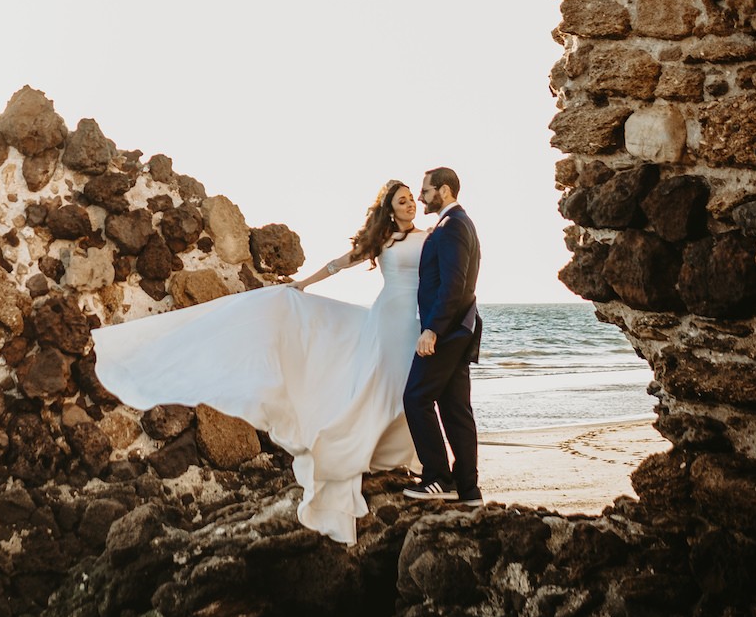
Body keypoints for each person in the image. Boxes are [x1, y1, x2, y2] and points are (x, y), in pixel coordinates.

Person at [90, 179, 427, 545]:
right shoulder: (383, 240)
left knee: (406, 386)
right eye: (402, 201)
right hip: (386, 320)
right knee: (382, 385)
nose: (410, 204)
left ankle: (409, 455)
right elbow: (339, 264)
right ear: (389, 210)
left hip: (413, 322)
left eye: (411, 199)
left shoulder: (428, 238)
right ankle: (362, 451)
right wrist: (304, 285)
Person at [400, 167, 483, 507]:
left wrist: (432, 329)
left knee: (416, 398)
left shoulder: (452, 226)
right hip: (459, 328)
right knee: (455, 409)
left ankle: (437, 478)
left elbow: (454, 284)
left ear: (444, 191)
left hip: (447, 331)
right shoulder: (458, 224)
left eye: (425, 191)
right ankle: (468, 490)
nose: (421, 197)